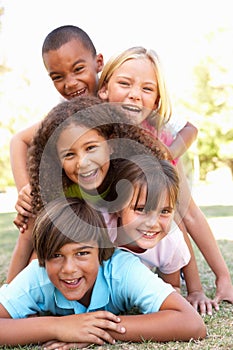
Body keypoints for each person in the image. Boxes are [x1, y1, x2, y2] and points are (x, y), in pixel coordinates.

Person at [97, 45, 233, 307]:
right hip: (105, 239)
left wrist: (215, 280)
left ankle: (174, 282)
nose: (135, 95)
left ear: (156, 101)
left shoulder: (156, 142)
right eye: (125, 83)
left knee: (167, 210)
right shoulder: (90, 132)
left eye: (147, 89)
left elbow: (186, 215)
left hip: (144, 237)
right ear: (104, 89)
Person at [0, 197, 206, 347]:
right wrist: (58, 327)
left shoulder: (122, 269)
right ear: (43, 258)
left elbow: (192, 323)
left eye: (82, 253)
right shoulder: (38, 276)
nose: (69, 269)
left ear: (100, 252)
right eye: (56, 255)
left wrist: (94, 330)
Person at [7, 96, 170, 282]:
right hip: (82, 270)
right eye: (69, 154)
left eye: (91, 148)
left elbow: (174, 223)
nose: (82, 163)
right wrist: (9, 293)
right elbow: (27, 238)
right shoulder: (57, 191)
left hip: (124, 271)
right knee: (38, 255)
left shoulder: (128, 179)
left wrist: (195, 288)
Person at [10, 24, 104, 223]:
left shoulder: (115, 95)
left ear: (99, 62)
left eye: (78, 69)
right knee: (33, 226)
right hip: (83, 208)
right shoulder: (66, 115)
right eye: (57, 77)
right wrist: (25, 190)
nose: (69, 83)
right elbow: (18, 140)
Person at [111, 155, 191, 292]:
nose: (152, 223)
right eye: (141, 209)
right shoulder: (102, 228)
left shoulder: (171, 243)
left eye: (165, 211)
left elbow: (173, 288)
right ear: (118, 207)